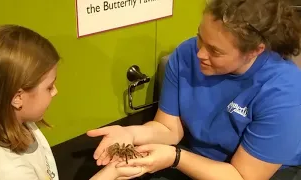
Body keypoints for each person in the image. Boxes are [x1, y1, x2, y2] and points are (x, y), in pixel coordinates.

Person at [87, 0, 301, 179]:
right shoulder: (186, 54)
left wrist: (175, 157)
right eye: (200, 37)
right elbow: (169, 128)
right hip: (193, 158)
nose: (199, 54)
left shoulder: (284, 90)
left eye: (215, 51)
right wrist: (130, 133)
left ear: (254, 51)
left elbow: (242, 175)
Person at [0, 25, 143, 180]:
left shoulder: (20, 122)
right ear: (17, 98)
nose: (55, 91)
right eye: (49, 87)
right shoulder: (8, 173)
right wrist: (111, 174)